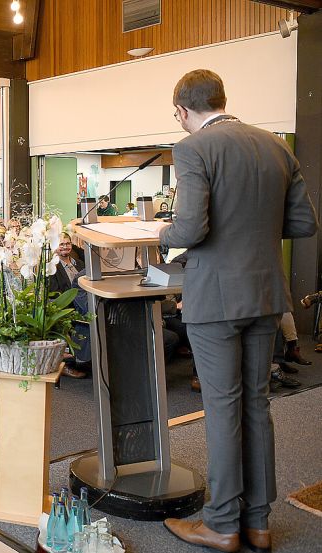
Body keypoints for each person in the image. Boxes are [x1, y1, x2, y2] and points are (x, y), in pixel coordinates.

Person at [160, 69, 318, 553]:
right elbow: (303, 222)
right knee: (257, 405)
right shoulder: (275, 145)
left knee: (222, 408)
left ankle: (222, 524)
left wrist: (162, 235)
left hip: (216, 300)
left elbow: (188, 229)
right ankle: (258, 522)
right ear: (221, 100)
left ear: (183, 111)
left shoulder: (192, 149)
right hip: (267, 295)